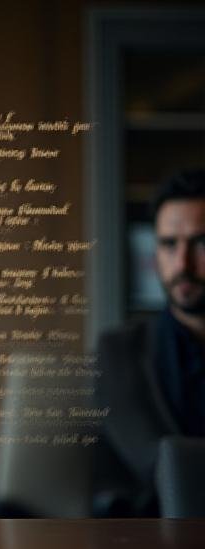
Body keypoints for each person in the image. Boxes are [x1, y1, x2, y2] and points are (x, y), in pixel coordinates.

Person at [94, 168, 205, 516]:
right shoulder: (119, 352)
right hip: (154, 541)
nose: (182, 263)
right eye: (169, 244)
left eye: (201, 243)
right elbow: (151, 464)